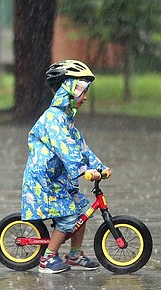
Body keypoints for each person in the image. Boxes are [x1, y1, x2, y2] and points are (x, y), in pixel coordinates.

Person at [21, 60, 111, 273]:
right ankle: (48, 258)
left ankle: (74, 254)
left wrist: (99, 167)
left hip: (59, 179)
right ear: (67, 90)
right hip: (45, 180)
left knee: (82, 209)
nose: (85, 96)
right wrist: (82, 170)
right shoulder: (53, 120)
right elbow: (66, 150)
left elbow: (81, 147)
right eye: (82, 91)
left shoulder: (66, 120)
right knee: (70, 215)